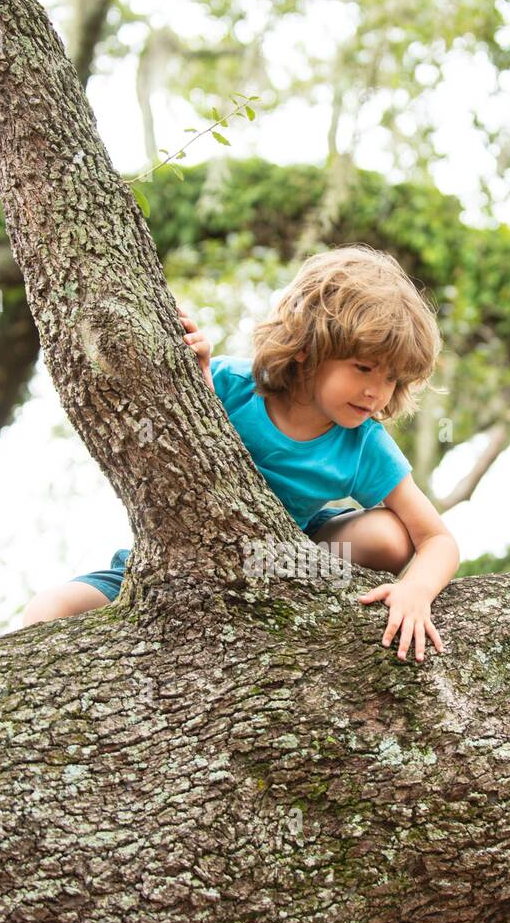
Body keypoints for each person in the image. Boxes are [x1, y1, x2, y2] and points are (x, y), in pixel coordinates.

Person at [22, 244, 460, 662]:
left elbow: (437, 540)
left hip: (282, 558)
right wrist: (198, 380)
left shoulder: (363, 443)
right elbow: (187, 443)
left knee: (391, 535)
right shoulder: (232, 383)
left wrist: (416, 591)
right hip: (175, 562)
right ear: (309, 348)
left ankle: (291, 583)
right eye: (363, 368)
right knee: (47, 610)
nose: (375, 391)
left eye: (391, 379)